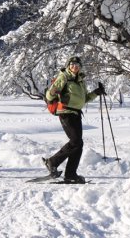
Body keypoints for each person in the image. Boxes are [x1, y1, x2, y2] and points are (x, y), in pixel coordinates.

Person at [43, 56, 105, 184]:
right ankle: (52, 162)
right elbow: (50, 94)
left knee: (78, 144)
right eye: (72, 64)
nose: (75, 67)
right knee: (76, 141)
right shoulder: (64, 77)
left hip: (76, 113)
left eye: (77, 65)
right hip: (65, 112)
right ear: (68, 66)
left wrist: (96, 92)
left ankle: (70, 174)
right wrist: (55, 92)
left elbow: (84, 99)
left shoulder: (80, 81)